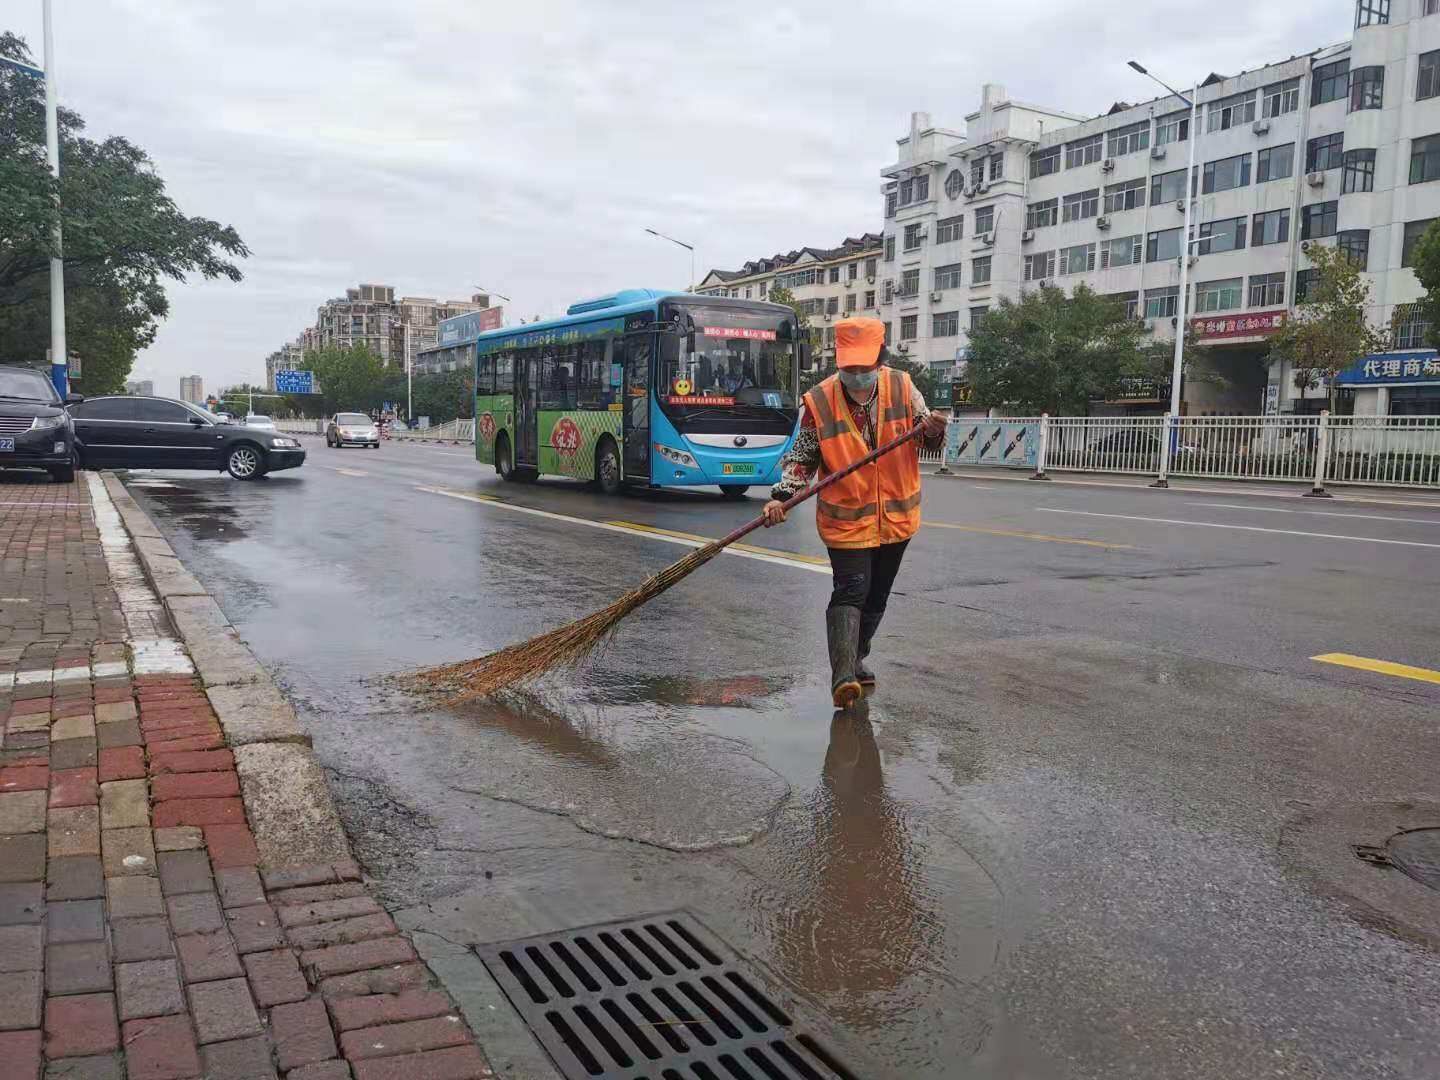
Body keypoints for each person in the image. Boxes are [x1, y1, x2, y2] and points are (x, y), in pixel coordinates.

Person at [762, 316, 946, 707]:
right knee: (851, 589)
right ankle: (843, 675)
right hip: (845, 517)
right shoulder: (819, 401)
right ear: (839, 361)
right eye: (850, 368)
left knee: (877, 596)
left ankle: (858, 655)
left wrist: (932, 428)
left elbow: (925, 440)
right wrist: (781, 495)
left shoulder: (902, 387)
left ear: (880, 358)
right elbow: (803, 457)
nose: (857, 375)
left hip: (897, 517)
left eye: (865, 367)